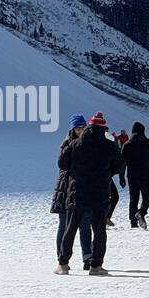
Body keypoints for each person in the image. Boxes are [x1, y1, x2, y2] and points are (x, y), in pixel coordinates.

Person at [57, 113, 123, 275]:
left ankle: (63, 264)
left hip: (77, 193)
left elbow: (63, 164)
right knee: (99, 230)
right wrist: (106, 173)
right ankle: (95, 266)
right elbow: (120, 165)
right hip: (99, 194)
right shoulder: (109, 146)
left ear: (89, 127)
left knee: (70, 228)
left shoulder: (75, 144)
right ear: (103, 129)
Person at [51, 115, 88, 272]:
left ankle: (88, 258)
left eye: (83, 127)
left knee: (85, 225)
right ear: (73, 129)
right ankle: (61, 259)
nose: (81, 130)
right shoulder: (67, 144)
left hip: (83, 190)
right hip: (66, 190)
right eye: (78, 128)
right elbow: (63, 167)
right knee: (64, 226)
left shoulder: (88, 144)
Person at [122, 121, 149, 228]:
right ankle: (141, 212)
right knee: (147, 196)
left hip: (132, 176)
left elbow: (122, 162)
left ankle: (133, 223)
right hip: (145, 174)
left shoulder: (127, 144)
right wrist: (147, 160)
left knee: (133, 198)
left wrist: (121, 177)